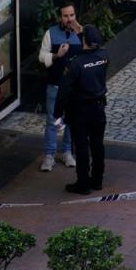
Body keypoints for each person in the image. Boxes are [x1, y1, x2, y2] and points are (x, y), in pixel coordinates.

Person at [54, 25, 109, 195]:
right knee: (97, 145)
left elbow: (64, 91)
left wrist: (57, 113)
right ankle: (97, 180)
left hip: (79, 111)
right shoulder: (104, 56)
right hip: (98, 108)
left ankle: (83, 184)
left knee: (82, 146)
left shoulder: (75, 63)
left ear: (83, 41)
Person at [38, 1, 82, 172]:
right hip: (55, 84)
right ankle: (49, 155)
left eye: (72, 15)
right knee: (52, 120)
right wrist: (57, 55)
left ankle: (67, 152)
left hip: (74, 86)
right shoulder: (51, 33)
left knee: (71, 120)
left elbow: (91, 52)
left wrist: (81, 32)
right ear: (60, 17)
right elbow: (42, 57)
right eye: (66, 16)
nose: (69, 19)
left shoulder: (81, 33)